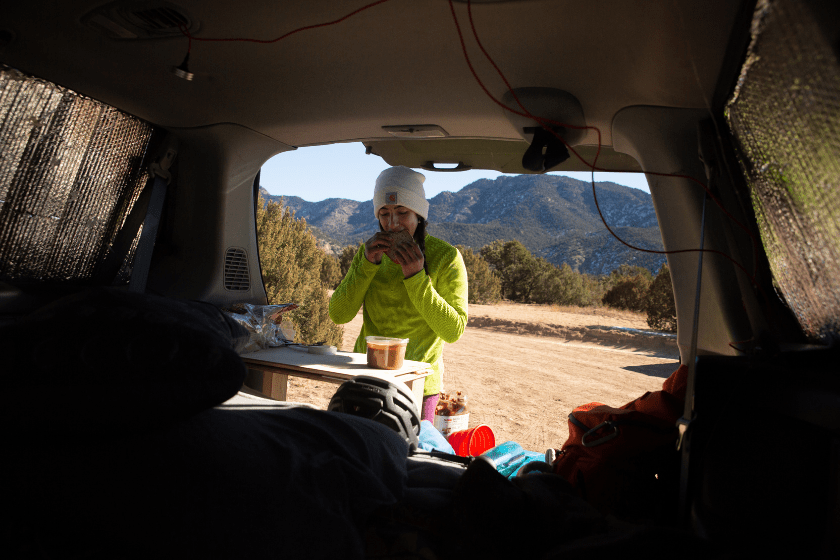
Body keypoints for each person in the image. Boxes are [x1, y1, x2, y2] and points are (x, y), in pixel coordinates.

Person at [329, 166, 468, 421]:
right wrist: (367, 265)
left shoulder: (446, 257)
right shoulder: (369, 253)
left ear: (419, 214)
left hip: (417, 384)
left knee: (405, 457)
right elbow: (338, 314)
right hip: (366, 374)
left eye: (402, 212)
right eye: (384, 213)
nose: (392, 224)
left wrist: (416, 278)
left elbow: (453, 330)